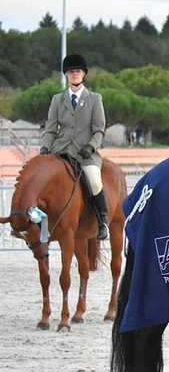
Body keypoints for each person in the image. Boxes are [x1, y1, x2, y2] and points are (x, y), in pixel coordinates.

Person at [39, 53, 110, 240]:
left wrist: (91, 147)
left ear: (83, 74)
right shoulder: (57, 100)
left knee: (94, 181)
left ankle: (103, 221)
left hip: (85, 153)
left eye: (77, 71)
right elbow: (51, 129)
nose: (74, 74)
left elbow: (99, 131)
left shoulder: (95, 99)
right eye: (71, 72)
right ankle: (38, 223)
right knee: (41, 180)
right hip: (60, 151)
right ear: (66, 75)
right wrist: (45, 148)